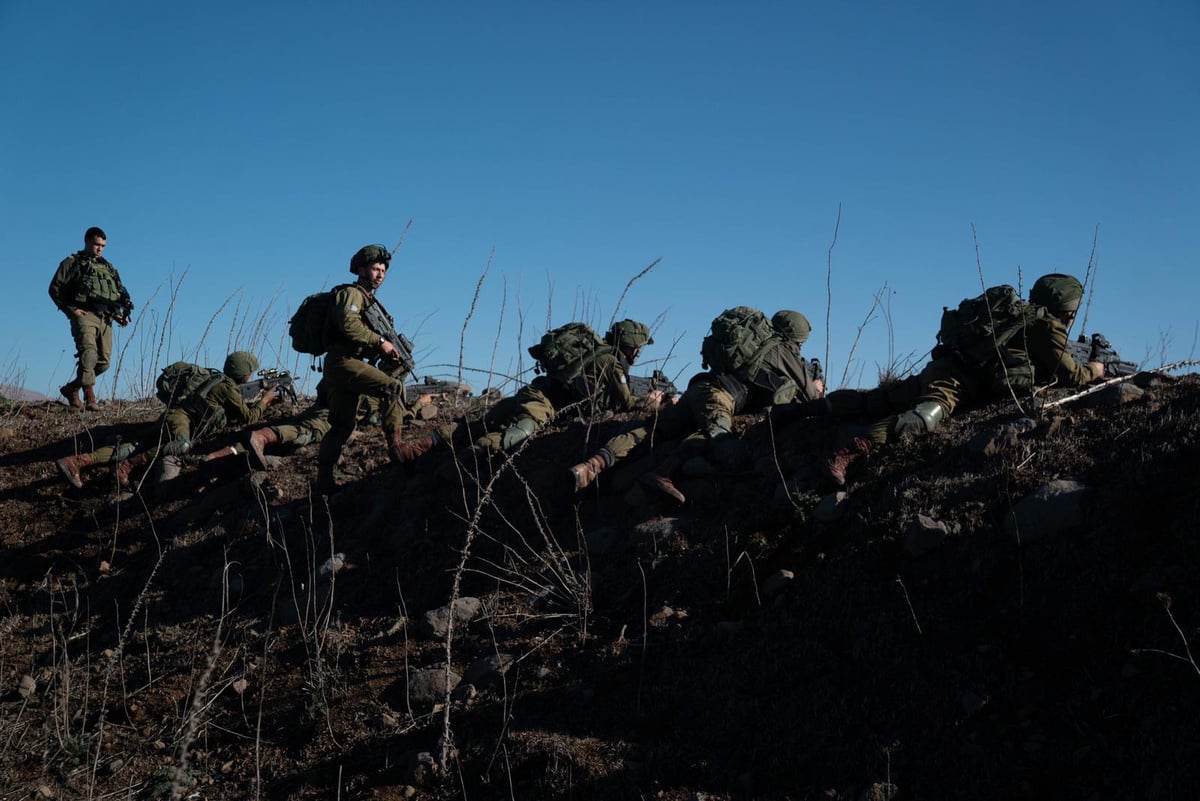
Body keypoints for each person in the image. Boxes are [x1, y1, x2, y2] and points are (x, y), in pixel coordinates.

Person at [801, 273, 1105, 485]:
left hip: (943, 366)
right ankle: (849, 451)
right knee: (924, 416)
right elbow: (1072, 375)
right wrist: (1097, 370)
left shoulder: (1015, 313)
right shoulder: (1047, 326)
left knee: (877, 399)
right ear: (1069, 309)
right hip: (957, 382)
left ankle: (798, 411)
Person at [570, 309, 823, 504]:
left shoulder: (752, 343)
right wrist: (816, 385)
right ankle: (663, 472)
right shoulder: (783, 352)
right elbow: (812, 399)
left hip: (699, 388)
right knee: (714, 431)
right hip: (719, 396)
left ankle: (591, 466)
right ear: (797, 339)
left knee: (652, 429)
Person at [393, 319, 661, 464]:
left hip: (535, 391)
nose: (638, 354)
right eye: (638, 348)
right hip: (544, 403)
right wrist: (651, 402)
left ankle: (421, 446)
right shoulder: (610, 362)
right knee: (522, 432)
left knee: (480, 423)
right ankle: (466, 461)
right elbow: (627, 404)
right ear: (631, 346)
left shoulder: (595, 352)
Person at [55, 351, 279, 490]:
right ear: (244, 372)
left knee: (134, 445)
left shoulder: (214, 378)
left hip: (172, 415)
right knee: (181, 444)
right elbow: (249, 417)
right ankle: (130, 465)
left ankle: (77, 461)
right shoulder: (226, 388)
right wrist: (266, 400)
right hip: (180, 420)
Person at [314, 244, 415, 495]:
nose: (380, 274)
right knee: (392, 389)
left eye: (383, 270)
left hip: (348, 363)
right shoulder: (352, 294)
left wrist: (387, 352)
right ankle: (397, 450)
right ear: (360, 269)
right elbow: (349, 327)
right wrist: (380, 342)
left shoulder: (369, 300)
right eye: (374, 269)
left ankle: (323, 482)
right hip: (343, 362)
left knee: (343, 425)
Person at [49, 226, 134, 410]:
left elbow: (114, 294)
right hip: (84, 315)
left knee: (103, 362)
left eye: (103, 245)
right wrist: (72, 310)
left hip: (105, 318)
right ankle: (90, 397)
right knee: (88, 353)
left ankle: (72, 389)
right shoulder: (72, 262)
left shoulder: (108, 268)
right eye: (96, 244)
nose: (99, 249)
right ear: (87, 241)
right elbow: (54, 288)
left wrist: (118, 315)